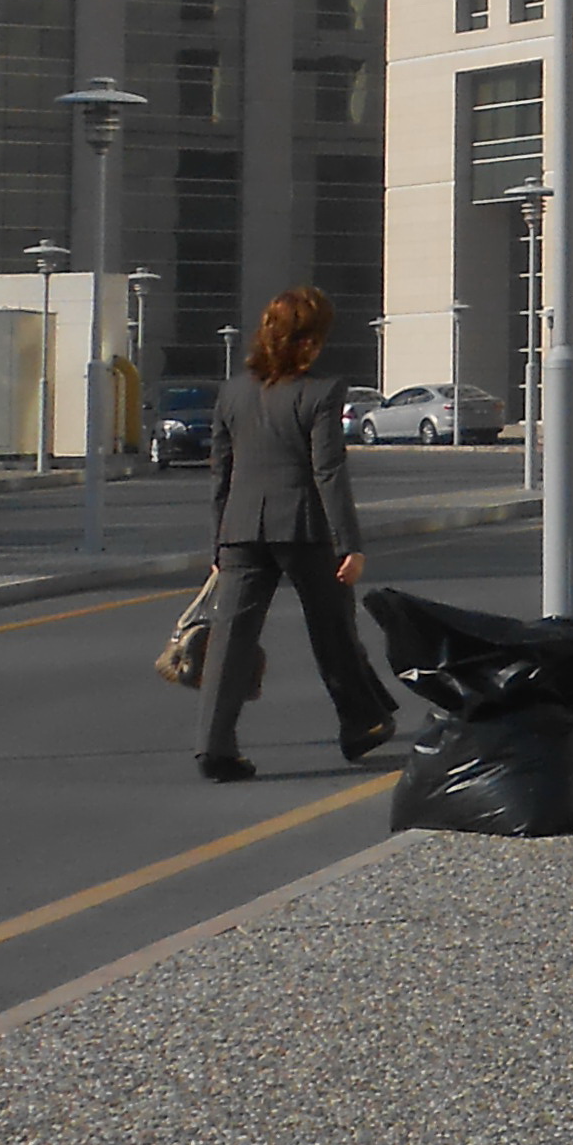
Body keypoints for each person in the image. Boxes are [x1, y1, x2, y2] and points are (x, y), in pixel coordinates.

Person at [195, 288, 399, 783]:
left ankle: (214, 747)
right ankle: (361, 722)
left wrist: (218, 543)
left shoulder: (233, 392)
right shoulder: (321, 392)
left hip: (241, 529)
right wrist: (350, 544)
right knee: (332, 628)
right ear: (309, 341)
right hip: (304, 528)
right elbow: (328, 470)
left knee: (230, 639)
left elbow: (221, 473)